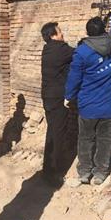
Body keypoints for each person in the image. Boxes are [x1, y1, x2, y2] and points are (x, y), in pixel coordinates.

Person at [65, 4, 111, 186]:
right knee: (105, 140)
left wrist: (68, 96)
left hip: (88, 106)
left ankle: (84, 172)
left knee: (85, 139)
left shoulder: (82, 52)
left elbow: (74, 78)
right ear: (104, 30)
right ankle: (100, 173)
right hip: (110, 104)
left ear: (88, 33)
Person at [40, 22, 74, 185]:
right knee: (58, 134)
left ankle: (47, 169)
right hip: (57, 98)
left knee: (52, 131)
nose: (62, 34)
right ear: (53, 35)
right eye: (60, 32)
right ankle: (54, 173)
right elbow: (78, 52)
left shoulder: (47, 49)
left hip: (48, 97)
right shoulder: (60, 49)